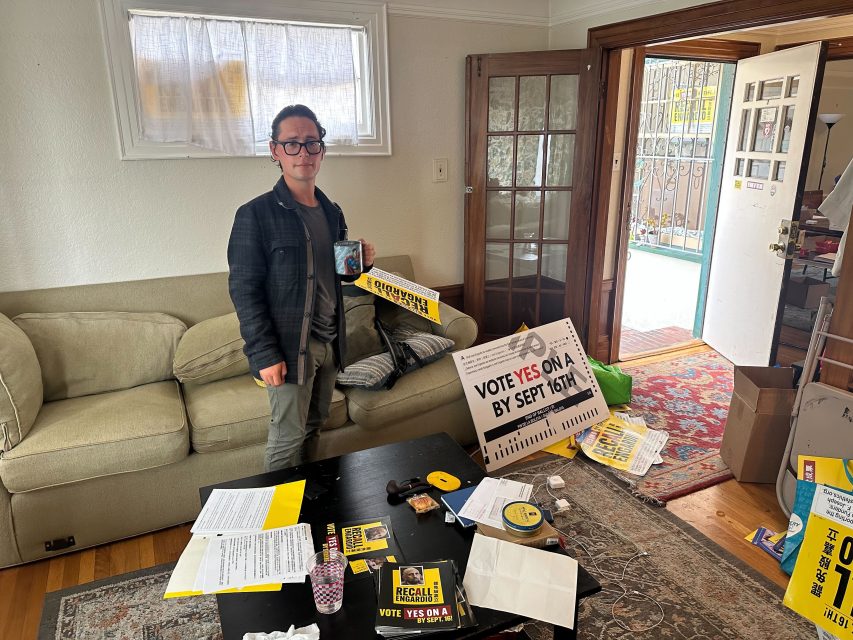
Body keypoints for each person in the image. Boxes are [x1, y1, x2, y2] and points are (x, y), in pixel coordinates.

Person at [228, 104, 376, 472]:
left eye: (311, 143)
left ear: (321, 151)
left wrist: (363, 265)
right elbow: (244, 290)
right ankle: (278, 524)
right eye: (291, 143)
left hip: (329, 341)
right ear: (274, 150)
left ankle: (306, 502)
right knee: (287, 436)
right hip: (291, 345)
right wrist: (263, 353)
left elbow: (337, 278)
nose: (303, 152)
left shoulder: (332, 211)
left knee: (314, 428)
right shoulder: (255, 214)